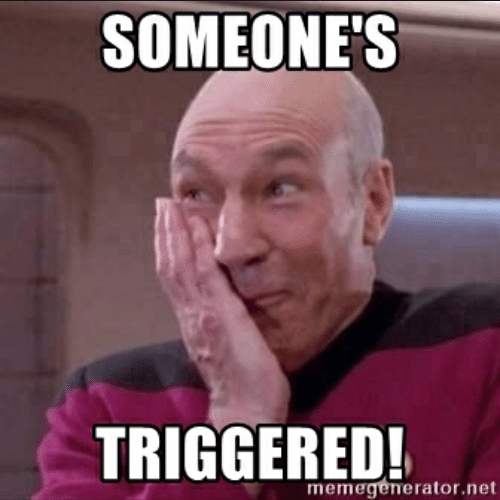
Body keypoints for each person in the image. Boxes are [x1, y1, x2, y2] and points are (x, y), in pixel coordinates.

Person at [33, 69, 500, 500]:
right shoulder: (104, 404)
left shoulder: (483, 353)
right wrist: (240, 418)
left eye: (281, 188)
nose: (232, 246)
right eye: (197, 193)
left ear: (374, 202)